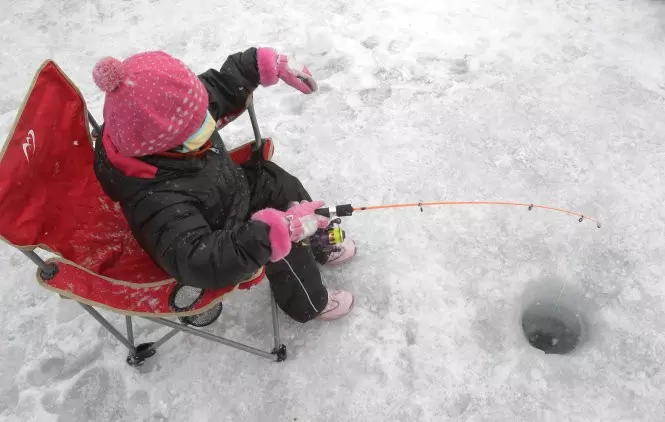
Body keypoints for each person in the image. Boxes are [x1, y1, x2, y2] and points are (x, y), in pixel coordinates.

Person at [91, 47, 355, 322]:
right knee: (286, 241)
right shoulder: (156, 200)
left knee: (278, 183)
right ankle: (310, 302)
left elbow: (221, 86)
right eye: (198, 130)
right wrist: (269, 235)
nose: (209, 122)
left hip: (225, 186)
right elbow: (198, 259)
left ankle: (318, 243)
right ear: (161, 147)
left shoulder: (170, 109)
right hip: (219, 230)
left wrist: (263, 64)